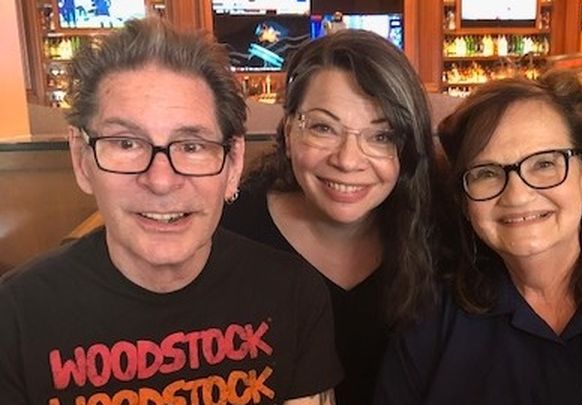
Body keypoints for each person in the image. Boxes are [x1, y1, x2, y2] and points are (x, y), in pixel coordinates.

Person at [0, 17, 341, 404]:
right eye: (126, 143)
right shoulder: (14, 317)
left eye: (192, 146)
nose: (160, 180)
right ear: (81, 159)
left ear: (233, 164)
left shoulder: (293, 294)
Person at [375, 70, 582, 404]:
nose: (517, 195)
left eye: (544, 164)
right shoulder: (431, 313)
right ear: (465, 202)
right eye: (486, 173)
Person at [221, 30, 438, 405]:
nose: (348, 160)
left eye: (381, 136)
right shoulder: (227, 234)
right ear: (289, 131)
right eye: (323, 128)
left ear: (407, 149)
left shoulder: (440, 239)